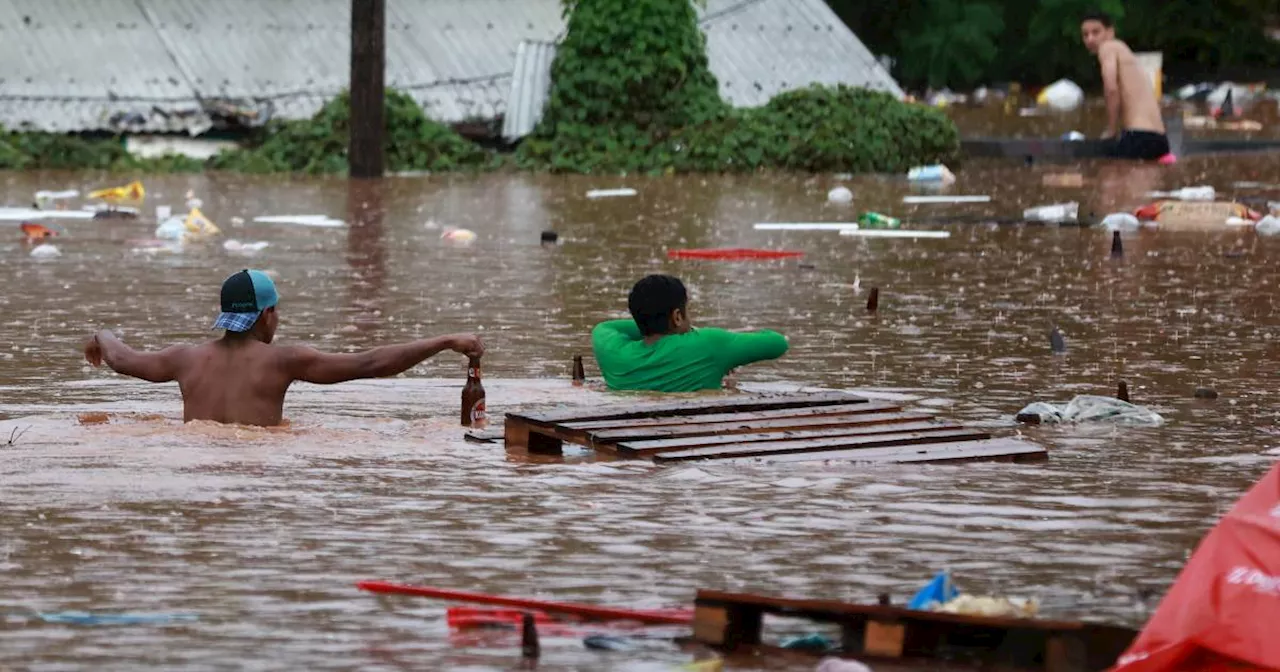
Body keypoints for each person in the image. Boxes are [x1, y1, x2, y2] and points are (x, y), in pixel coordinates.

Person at [83, 269, 484, 427]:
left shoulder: (184, 358)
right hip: (261, 468)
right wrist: (445, 341)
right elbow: (372, 363)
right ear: (266, 314)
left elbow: (121, 359)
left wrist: (101, 335)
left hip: (196, 462)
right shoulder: (284, 360)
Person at [591, 275, 788, 392]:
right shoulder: (709, 344)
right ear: (677, 316)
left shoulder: (613, 352)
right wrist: (698, 336)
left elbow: (606, 327)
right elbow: (778, 343)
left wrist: (648, 323)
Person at [1080, 10, 1169, 161]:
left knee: (1105, 175)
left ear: (1110, 32)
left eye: (1096, 32)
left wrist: (1111, 130)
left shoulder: (1108, 47)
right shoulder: (1126, 53)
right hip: (1159, 139)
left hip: (1139, 136)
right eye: (1085, 34)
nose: (1090, 39)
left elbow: (1111, 89)